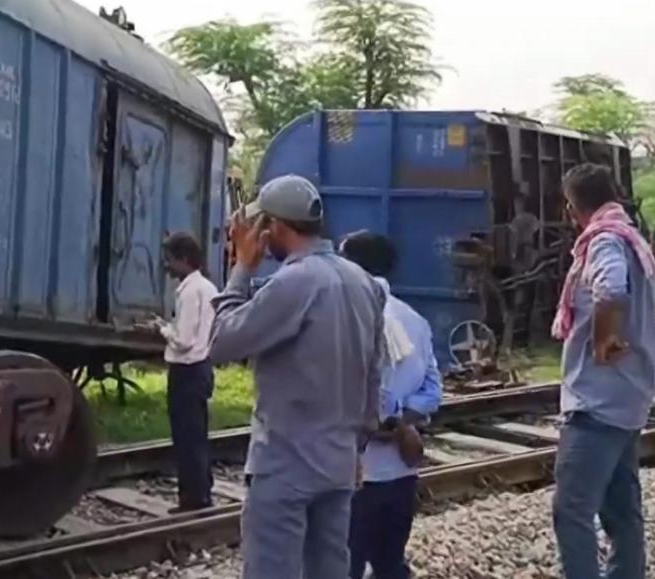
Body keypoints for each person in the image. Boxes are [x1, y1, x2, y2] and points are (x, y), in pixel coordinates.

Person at [208, 174, 384, 579]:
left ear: (272, 228)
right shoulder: (362, 282)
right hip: (339, 460)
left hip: (286, 463)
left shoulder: (294, 281)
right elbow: (375, 373)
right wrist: (357, 445)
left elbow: (221, 341)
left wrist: (241, 269)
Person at [551, 163, 655, 579]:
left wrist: (604, 337)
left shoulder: (603, 242)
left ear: (572, 206)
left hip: (596, 401)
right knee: (622, 512)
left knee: (571, 511)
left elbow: (611, 287)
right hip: (629, 397)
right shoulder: (635, 240)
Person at [340, 231, 442, 579]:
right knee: (389, 563)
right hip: (402, 472)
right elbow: (432, 391)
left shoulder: (353, 317)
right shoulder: (415, 320)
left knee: (343, 565)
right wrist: (405, 424)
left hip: (356, 471)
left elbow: (371, 391)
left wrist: (393, 423)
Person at [156, 232, 217, 512]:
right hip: (203, 368)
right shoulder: (209, 288)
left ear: (183, 259)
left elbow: (183, 339)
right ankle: (201, 490)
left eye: (170, 260)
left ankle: (193, 497)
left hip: (187, 369)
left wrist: (161, 329)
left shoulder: (191, 292)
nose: (167, 266)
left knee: (186, 436)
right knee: (197, 433)